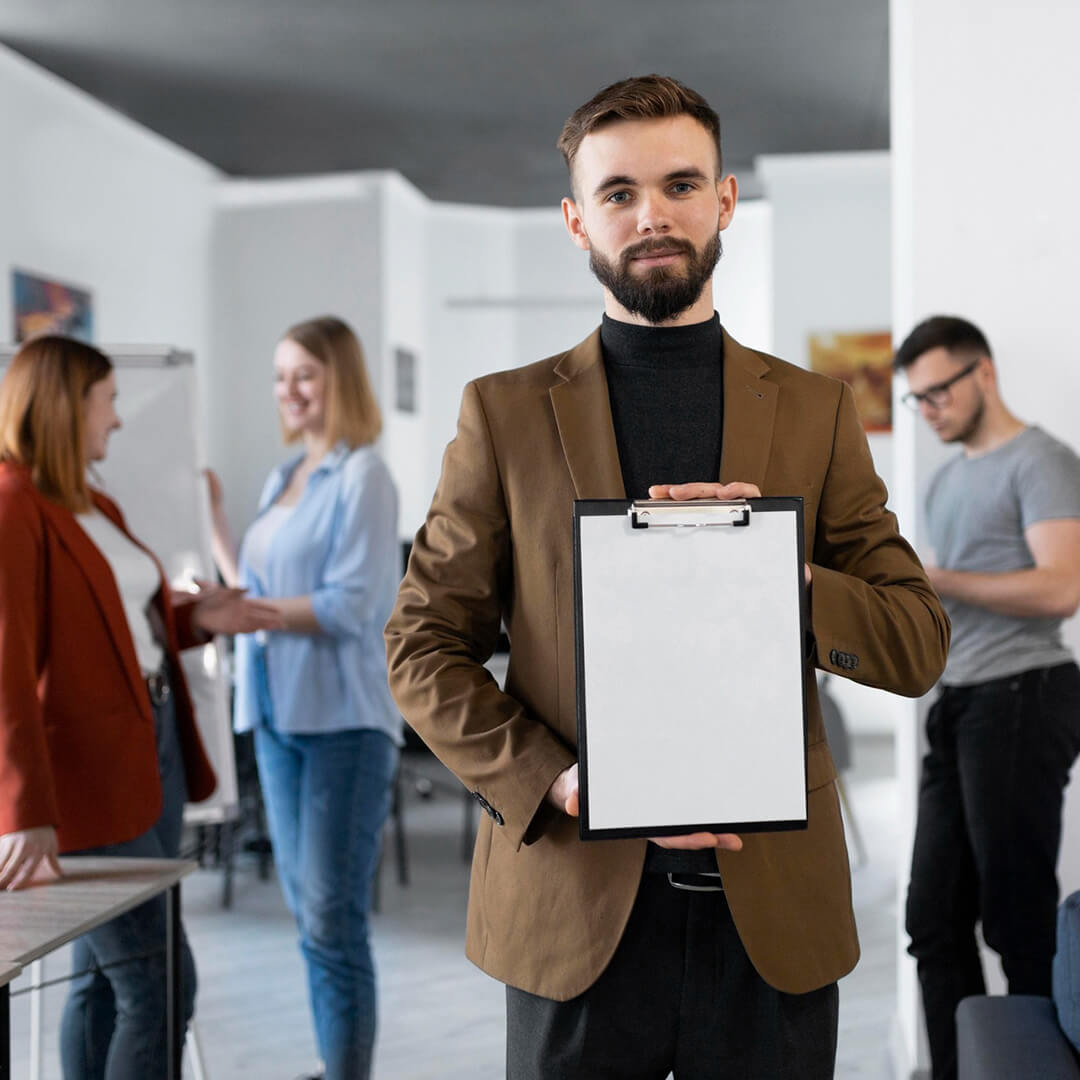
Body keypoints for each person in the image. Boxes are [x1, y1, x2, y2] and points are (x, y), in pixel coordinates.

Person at [385, 74, 949, 1079]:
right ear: (575, 219)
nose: (652, 215)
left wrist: (783, 573)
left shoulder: (817, 412)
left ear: (723, 200)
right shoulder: (502, 415)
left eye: (680, 184)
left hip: (770, 917)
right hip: (572, 911)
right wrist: (555, 780)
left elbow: (915, 643)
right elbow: (423, 647)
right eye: (618, 192)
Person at [0, 335, 282, 1080]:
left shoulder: (94, 503)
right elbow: (5, 668)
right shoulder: (11, 507)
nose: (117, 421)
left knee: (103, 980)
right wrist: (23, 807)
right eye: (108, 402)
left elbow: (123, 626)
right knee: (158, 983)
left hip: (148, 751)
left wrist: (198, 620)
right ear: (66, 406)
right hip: (83, 780)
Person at [208, 315, 401, 1080]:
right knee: (307, 912)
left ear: (340, 380)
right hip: (276, 713)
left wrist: (245, 612)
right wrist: (220, 524)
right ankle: (335, 1066)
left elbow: (352, 603)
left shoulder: (364, 477)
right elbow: (259, 587)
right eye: (280, 376)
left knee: (331, 918)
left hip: (342, 722)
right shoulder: (282, 477)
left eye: (305, 375)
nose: (287, 390)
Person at [895, 315, 1080, 1080]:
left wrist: (936, 579)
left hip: (1023, 694)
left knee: (1016, 921)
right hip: (959, 701)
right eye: (917, 398)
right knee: (933, 923)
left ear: (984, 374)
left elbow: (1062, 587)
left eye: (939, 389)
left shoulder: (1040, 461)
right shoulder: (945, 482)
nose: (930, 407)